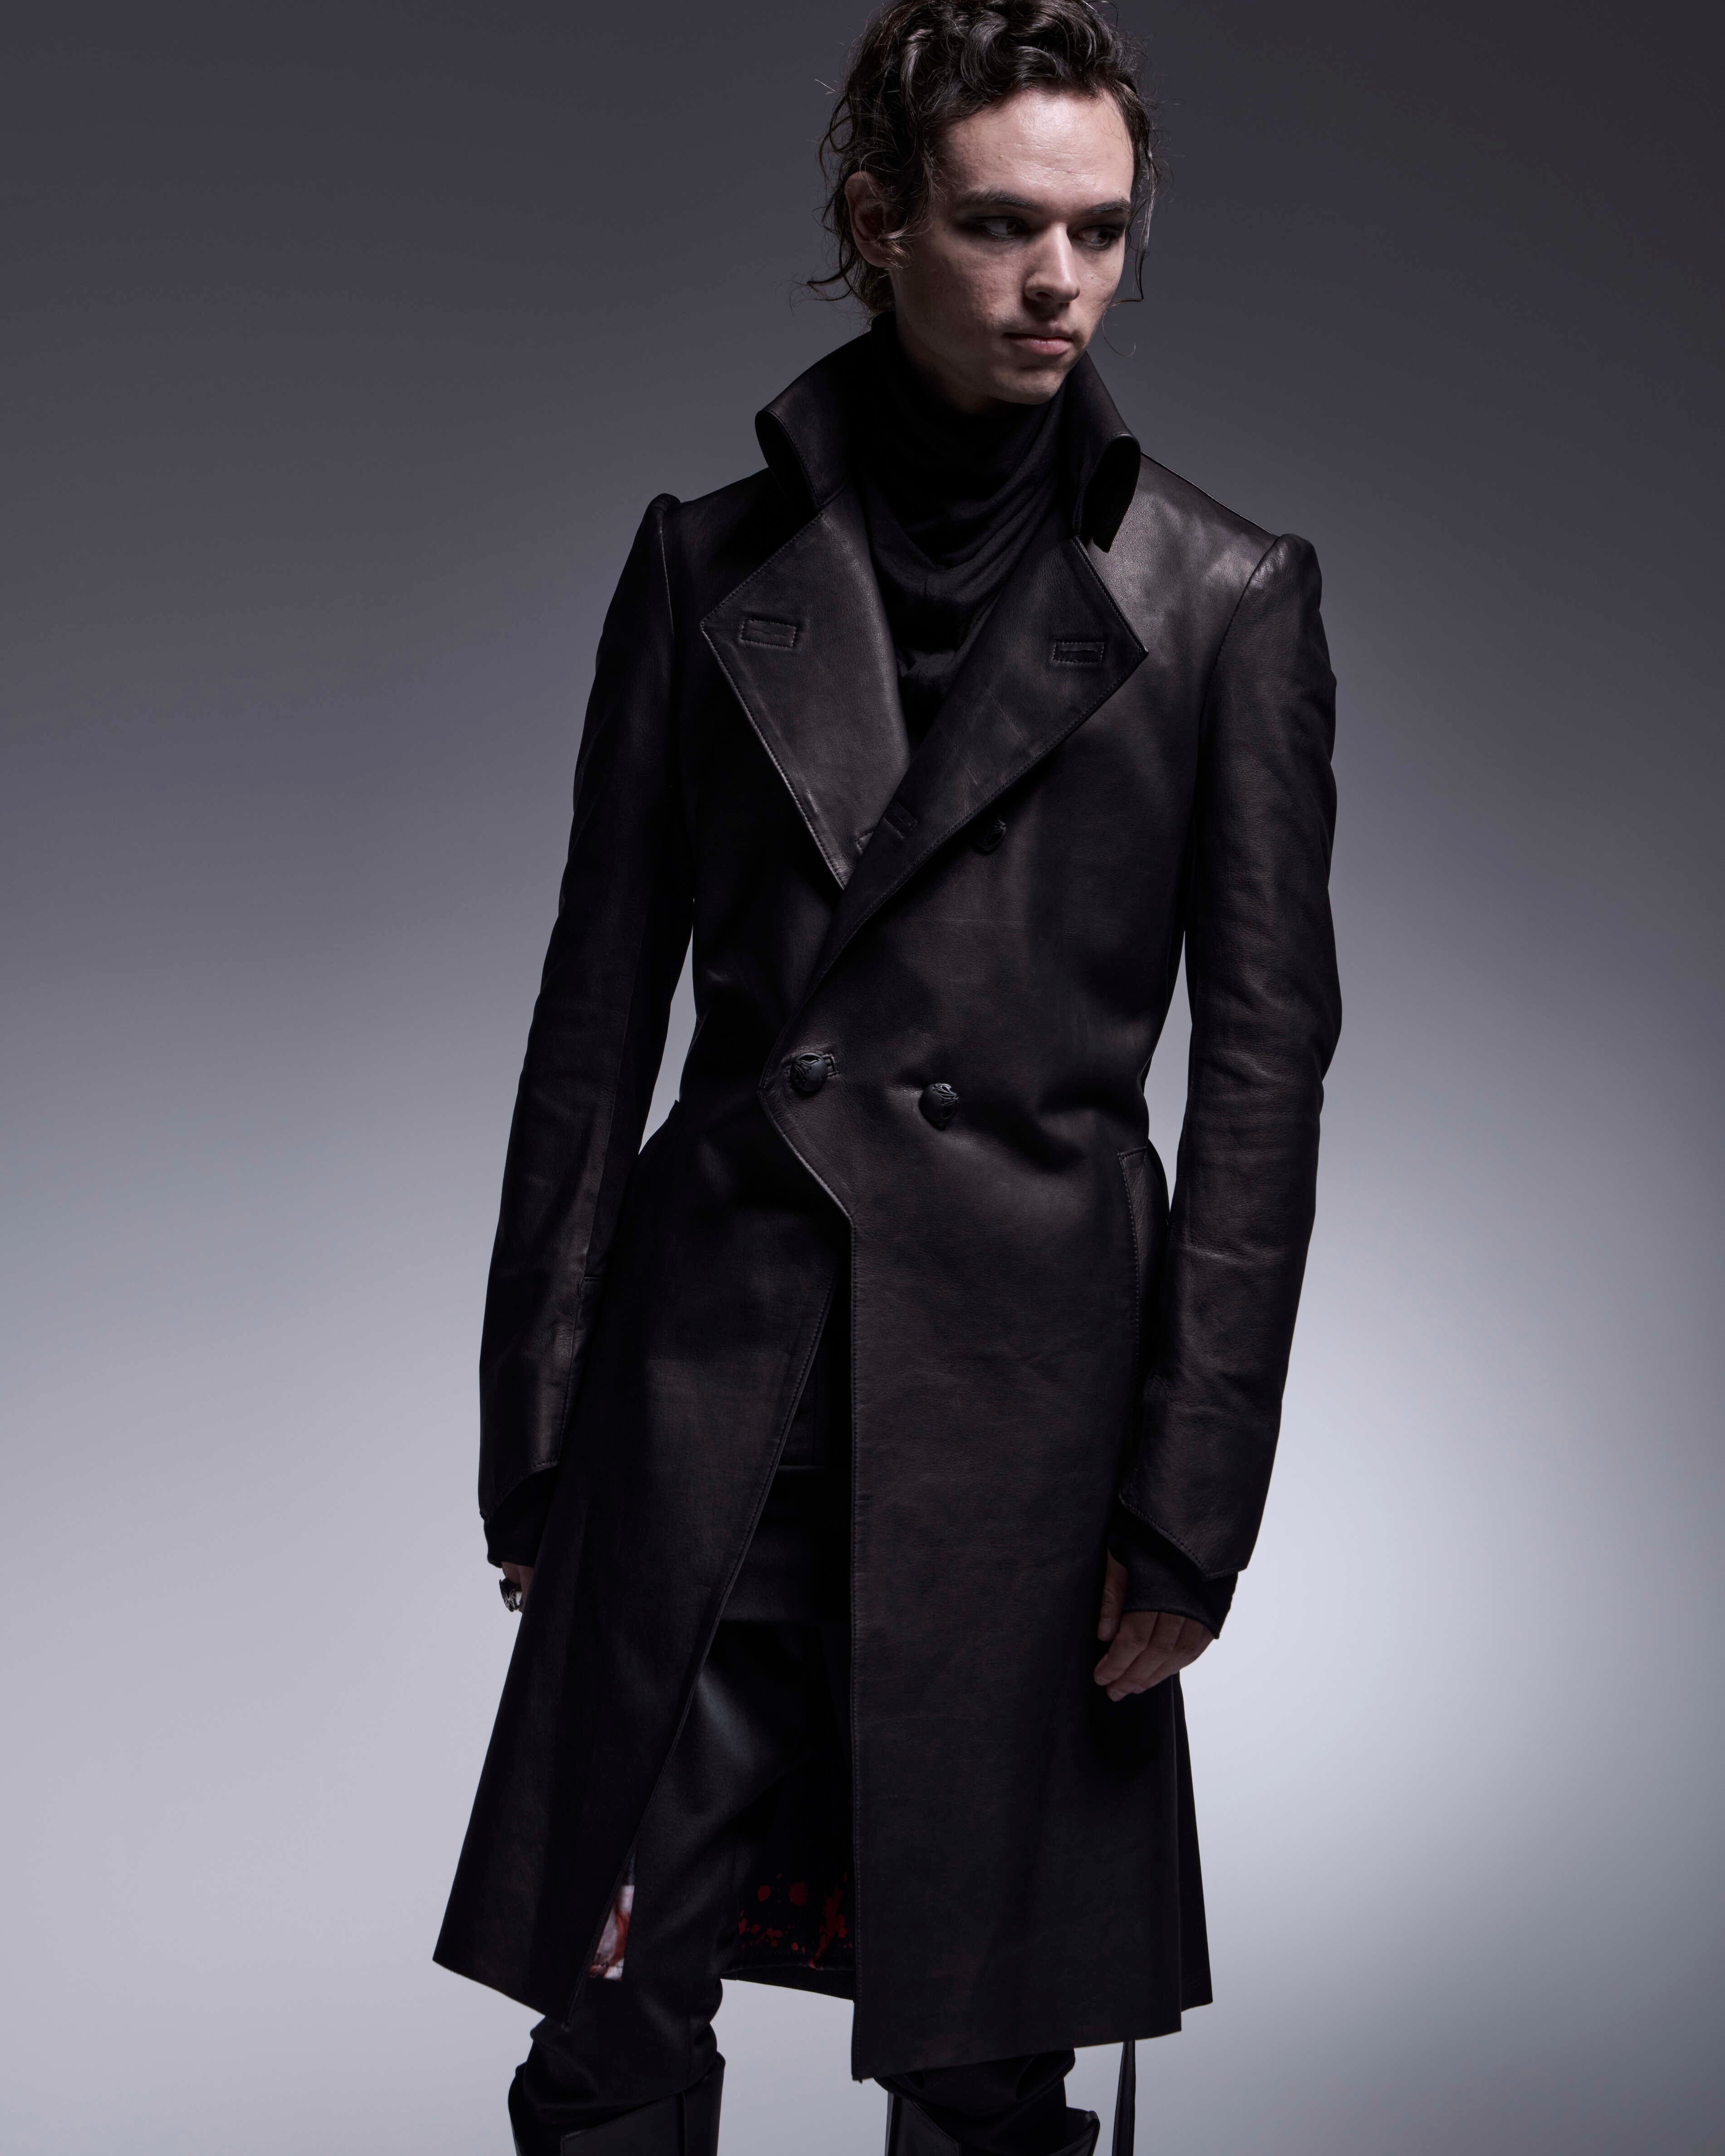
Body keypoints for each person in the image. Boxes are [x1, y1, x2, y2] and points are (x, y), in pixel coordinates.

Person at [434, 3, 1341, 2151]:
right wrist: (538, 1435)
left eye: (1100, 231)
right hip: (711, 1385)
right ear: (878, 222)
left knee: (984, 2061)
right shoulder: (704, 566)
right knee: (611, 2019)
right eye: (1004, 223)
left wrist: (1190, 1501)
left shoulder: (1225, 600)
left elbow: (1263, 1078)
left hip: (1029, 1417)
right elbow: (592, 1021)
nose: (1060, 280)